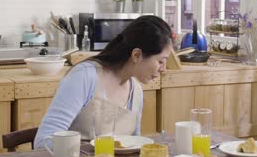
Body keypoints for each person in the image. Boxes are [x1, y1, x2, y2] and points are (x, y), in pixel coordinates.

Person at [34, 15, 173, 148]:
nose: (163, 69)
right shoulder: (85, 76)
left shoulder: (136, 90)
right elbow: (44, 140)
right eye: (161, 61)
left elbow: (134, 145)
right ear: (136, 55)